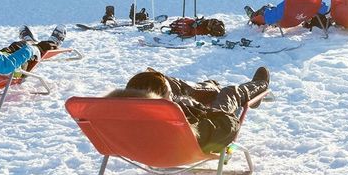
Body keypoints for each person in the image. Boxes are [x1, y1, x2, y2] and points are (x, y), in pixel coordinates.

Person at [106, 67, 269, 154]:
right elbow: (227, 128)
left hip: (145, 148)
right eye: (169, 96)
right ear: (162, 100)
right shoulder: (174, 121)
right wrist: (210, 113)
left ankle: (210, 86)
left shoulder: (126, 118)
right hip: (199, 134)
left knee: (175, 86)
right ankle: (260, 85)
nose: (172, 99)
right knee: (230, 92)